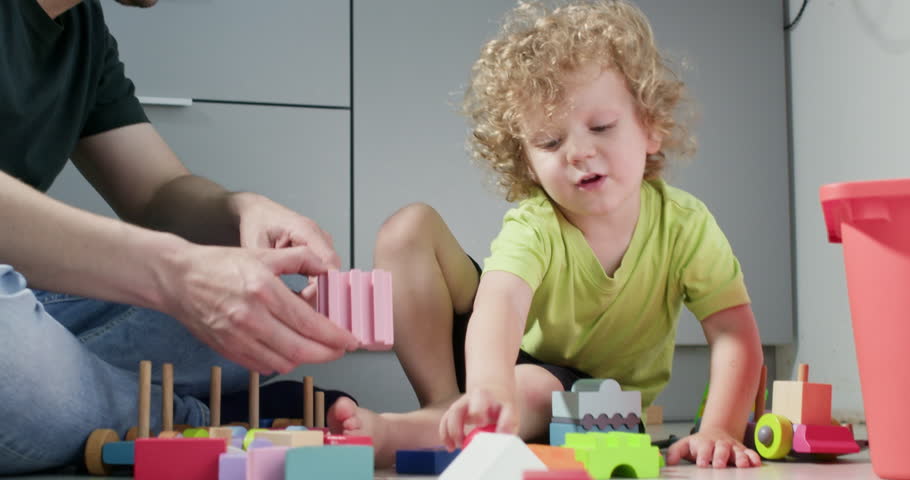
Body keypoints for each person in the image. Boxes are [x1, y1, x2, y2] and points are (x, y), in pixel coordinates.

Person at [328, 0, 765, 469]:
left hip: (599, 404)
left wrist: (719, 427)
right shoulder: (536, 224)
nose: (578, 152)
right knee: (406, 228)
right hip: (496, 360)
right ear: (526, 161)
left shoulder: (685, 227)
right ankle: (444, 402)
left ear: (650, 127)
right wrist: (488, 387)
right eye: (551, 142)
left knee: (532, 387)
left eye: (601, 127)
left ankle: (398, 433)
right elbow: (500, 303)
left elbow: (732, 332)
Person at [0, 0, 360, 474]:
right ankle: (200, 420)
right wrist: (174, 273)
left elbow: (156, 192)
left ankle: (85, 394)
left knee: (270, 307)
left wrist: (240, 209)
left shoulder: (81, 28)